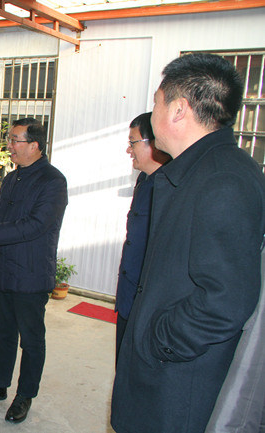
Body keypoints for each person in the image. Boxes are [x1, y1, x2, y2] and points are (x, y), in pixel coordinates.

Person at [111, 53, 265, 433]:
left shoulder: (223, 181)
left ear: (178, 109)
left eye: (156, 103)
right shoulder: (196, 170)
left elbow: (225, 301)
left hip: (175, 381)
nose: (153, 114)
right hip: (162, 366)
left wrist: (158, 340)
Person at [0, 118, 68, 424]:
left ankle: (25, 395)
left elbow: (34, 225)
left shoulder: (53, 182)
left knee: (31, 340)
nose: (9, 146)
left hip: (31, 274)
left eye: (15, 140)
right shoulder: (12, 178)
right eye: (10, 139)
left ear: (35, 145)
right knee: (3, 333)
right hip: (5, 270)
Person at [115, 112, 170, 362]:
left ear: (154, 142)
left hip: (150, 305)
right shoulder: (144, 180)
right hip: (129, 296)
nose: (129, 150)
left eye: (133, 142)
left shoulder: (171, 186)